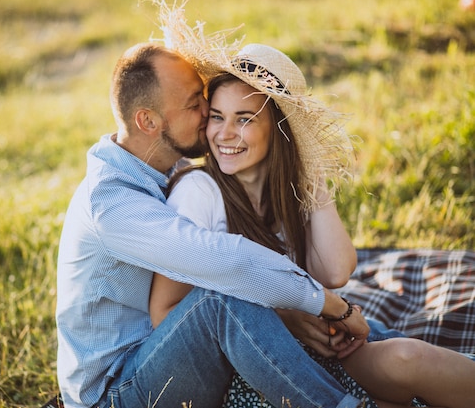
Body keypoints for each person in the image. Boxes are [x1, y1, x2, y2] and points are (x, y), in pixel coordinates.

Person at [148, 41, 475, 408]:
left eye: (244, 119)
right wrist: (283, 319)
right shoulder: (200, 192)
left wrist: (313, 179)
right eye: (218, 116)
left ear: (278, 129)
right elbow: (166, 312)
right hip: (257, 366)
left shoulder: (285, 190)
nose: (224, 134)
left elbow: (335, 272)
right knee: (402, 380)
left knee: (411, 359)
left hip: (313, 344)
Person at [56, 41, 377, 408]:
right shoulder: (111, 205)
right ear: (148, 121)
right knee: (220, 298)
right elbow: (226, 261)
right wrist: (328, 305)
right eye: (195, 104)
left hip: (163, 355)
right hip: (115, 392)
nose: (207, 114)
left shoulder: (162, 167)